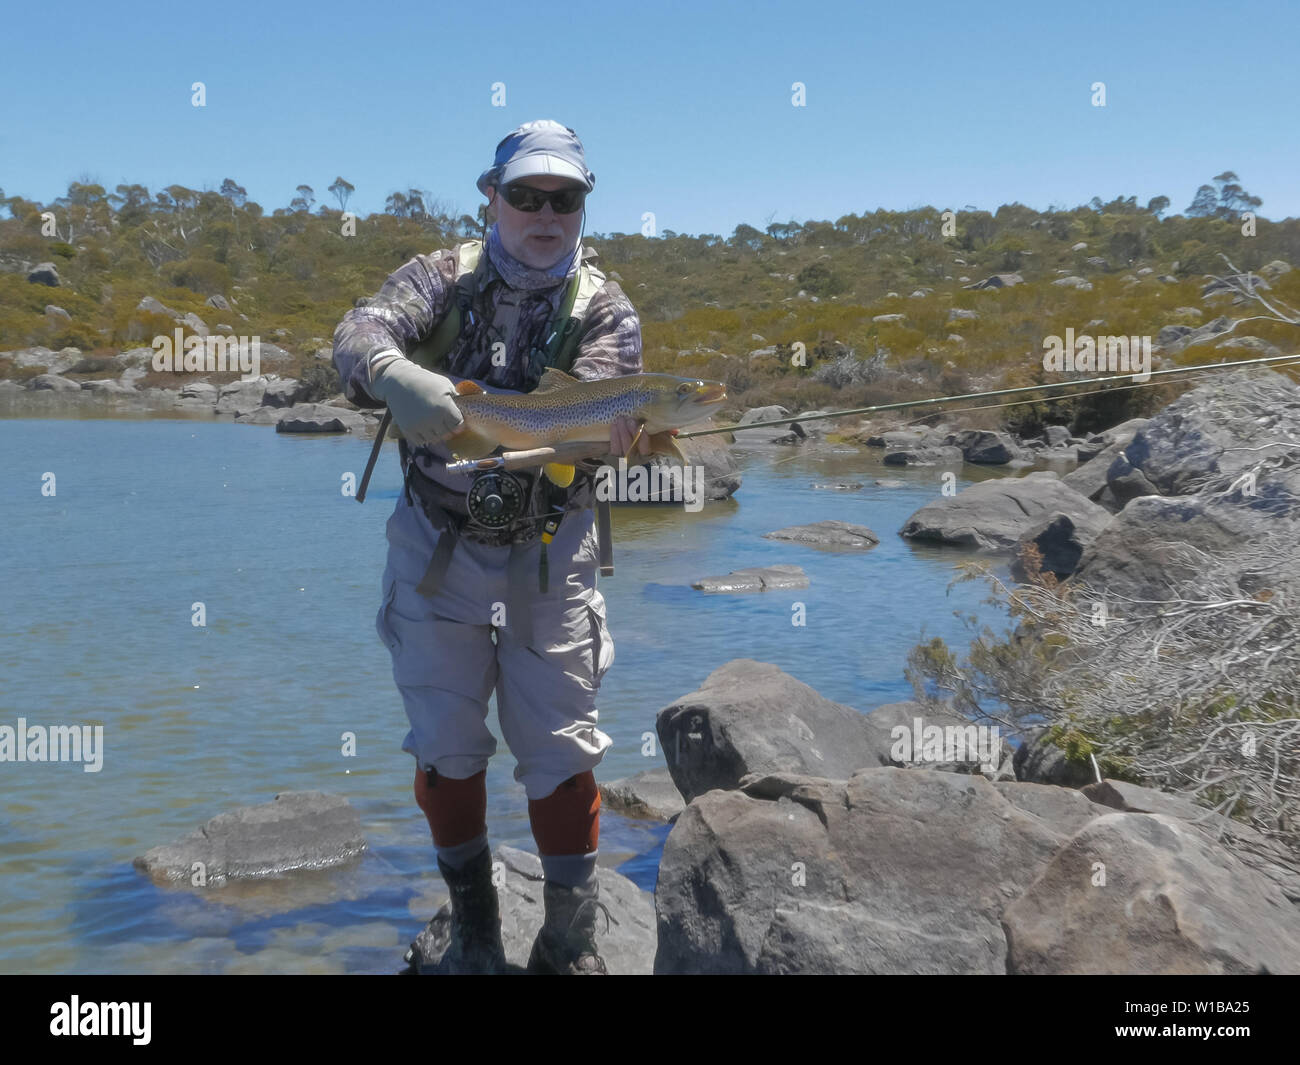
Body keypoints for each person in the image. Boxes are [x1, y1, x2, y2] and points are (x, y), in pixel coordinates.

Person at [332, 120, 648, 974]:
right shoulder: (440, 276)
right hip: (436, 544)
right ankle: (475, 924)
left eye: (565, 198)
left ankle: (567, 936)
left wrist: (613, 437)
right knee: (446, 744)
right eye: (526, 195)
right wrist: (395, 375)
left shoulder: (607, 310)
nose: (545, 213)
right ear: (492, 196)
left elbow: (588, 411)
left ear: (584, 203)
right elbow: (356, 334)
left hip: (551, 549)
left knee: (563, 749)